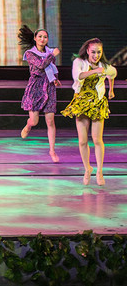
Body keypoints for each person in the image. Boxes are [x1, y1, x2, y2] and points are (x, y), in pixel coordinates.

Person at [62, 38, 117, 186]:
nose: (96, 55)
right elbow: (78, 76)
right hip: (81, 102)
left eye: (99, 52)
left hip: (97, 103)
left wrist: (111, 89)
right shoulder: (79, 62)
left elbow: (113, 73)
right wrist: (95, 71)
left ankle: (99, 171)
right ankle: (87, 169)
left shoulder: (103, 66)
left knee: (97, 140)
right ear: (87, 51)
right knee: (82, 140)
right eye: (93, 52)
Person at [18, 26, 62, 163]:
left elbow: (51, 68)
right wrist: (52, 55)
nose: (43, 39)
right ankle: (28, 125)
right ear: (35, 38)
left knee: (50, 121)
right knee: (34, 121)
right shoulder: (30, 53)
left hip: (49, 87)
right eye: (40, 37)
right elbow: (41, 65)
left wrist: (55, 79)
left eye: (45, 37)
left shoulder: (49, 52)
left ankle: (52, 150)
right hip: (36, 87)